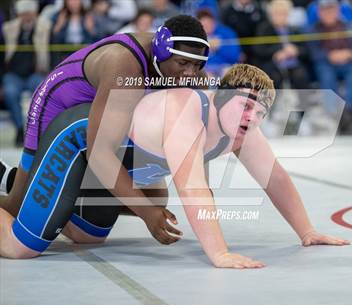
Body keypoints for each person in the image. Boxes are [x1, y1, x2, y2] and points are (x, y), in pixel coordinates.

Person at [0, 64, 350, 267]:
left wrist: (306, 231)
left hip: (111, 168)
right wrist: (220, 252)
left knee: (85, 237)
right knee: (21, 247)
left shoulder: (241, 130)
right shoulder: (189, 112)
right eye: (247, 107)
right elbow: (193, 187)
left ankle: (17, 183)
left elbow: (275, 179)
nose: (253, 118)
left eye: (260, 113)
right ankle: (30, 195)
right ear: (222, 97)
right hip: (80, 141)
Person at [0, 15, 210, 247]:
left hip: (94, 113)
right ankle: (26, 186)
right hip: (56, 105)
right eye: (183, 64)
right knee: (16, 205)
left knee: (155, 198)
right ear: (161, 51)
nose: (190, 73)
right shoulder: (126, 69)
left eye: (197, 65)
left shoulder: (187, 69)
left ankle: (27, 182)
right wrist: (147, 215)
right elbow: (100, 154)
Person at [2, 0, 51, 146]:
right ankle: (18, 129)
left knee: (42, 93)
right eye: (23, 14)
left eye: (29, 13)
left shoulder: (45, 28)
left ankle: (36, 131)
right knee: (10, 93)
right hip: (13, 74)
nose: (27, 17)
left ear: (35, 13)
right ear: (19, 14)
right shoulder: (8, 29)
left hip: (35, 73)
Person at [197, 8, 241, 77]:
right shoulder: (195, 36)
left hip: (224, 66)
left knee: (230, 74)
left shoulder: (226, 33)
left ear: (214, 22)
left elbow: (235, 56)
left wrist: (220, 47)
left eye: (209, 23)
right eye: (204, 25)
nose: (207, 27)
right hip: (204, 68)